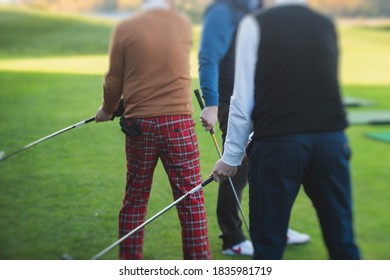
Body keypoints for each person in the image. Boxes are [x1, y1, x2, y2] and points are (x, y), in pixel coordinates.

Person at [212, 0, 361, 260]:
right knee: (342, 241)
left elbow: (242, 99)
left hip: (279, 147)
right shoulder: (325, 23)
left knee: (268, 245)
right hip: (331, 142)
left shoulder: (254, 22)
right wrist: (250, 140)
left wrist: (231, 157)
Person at [95, 0, 211, 260]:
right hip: (178, 123)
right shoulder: (182, 24)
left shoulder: (126, 27)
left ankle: (129, 263)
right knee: (190, 197)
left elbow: (115, 78)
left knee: (135, 197)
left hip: (140, 124)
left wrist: (108, 108)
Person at [198, 0, 310, 256]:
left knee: (270, 163)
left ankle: (275, 226)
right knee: (236, 165)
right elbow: (208, 55)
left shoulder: (259, 8)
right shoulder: (222, 10)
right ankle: (232, 237)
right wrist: (212, 104)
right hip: (231, 100)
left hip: (264, 98)